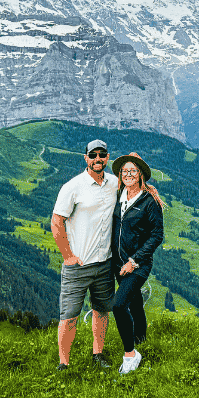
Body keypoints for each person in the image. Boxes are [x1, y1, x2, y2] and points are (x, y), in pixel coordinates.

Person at [51, 139, 118, 370]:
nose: (98, 159)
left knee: (102, 311)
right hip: (78, 265)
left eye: (102, 154)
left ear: (107, 157)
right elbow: (57, 221)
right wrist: (68, 256)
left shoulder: (114, 183)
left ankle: (97, 353)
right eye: (93, 155)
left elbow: (135, 185)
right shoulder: (73, 186)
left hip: (105, 262)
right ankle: (64, 363)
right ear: (86, 158)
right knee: (69, 316)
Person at [110, 152, 165, 374]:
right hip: (117, 262)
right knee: (133, 302)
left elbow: (156, 236)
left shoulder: (148, 202)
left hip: (138, 264)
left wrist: (135, 261)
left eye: (133, 170)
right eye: (125, 171)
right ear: (120, 174)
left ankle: (131, 355)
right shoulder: (118, 195)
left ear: (140, 174)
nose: (129, 174)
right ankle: (141, 339)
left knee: (118, 305)